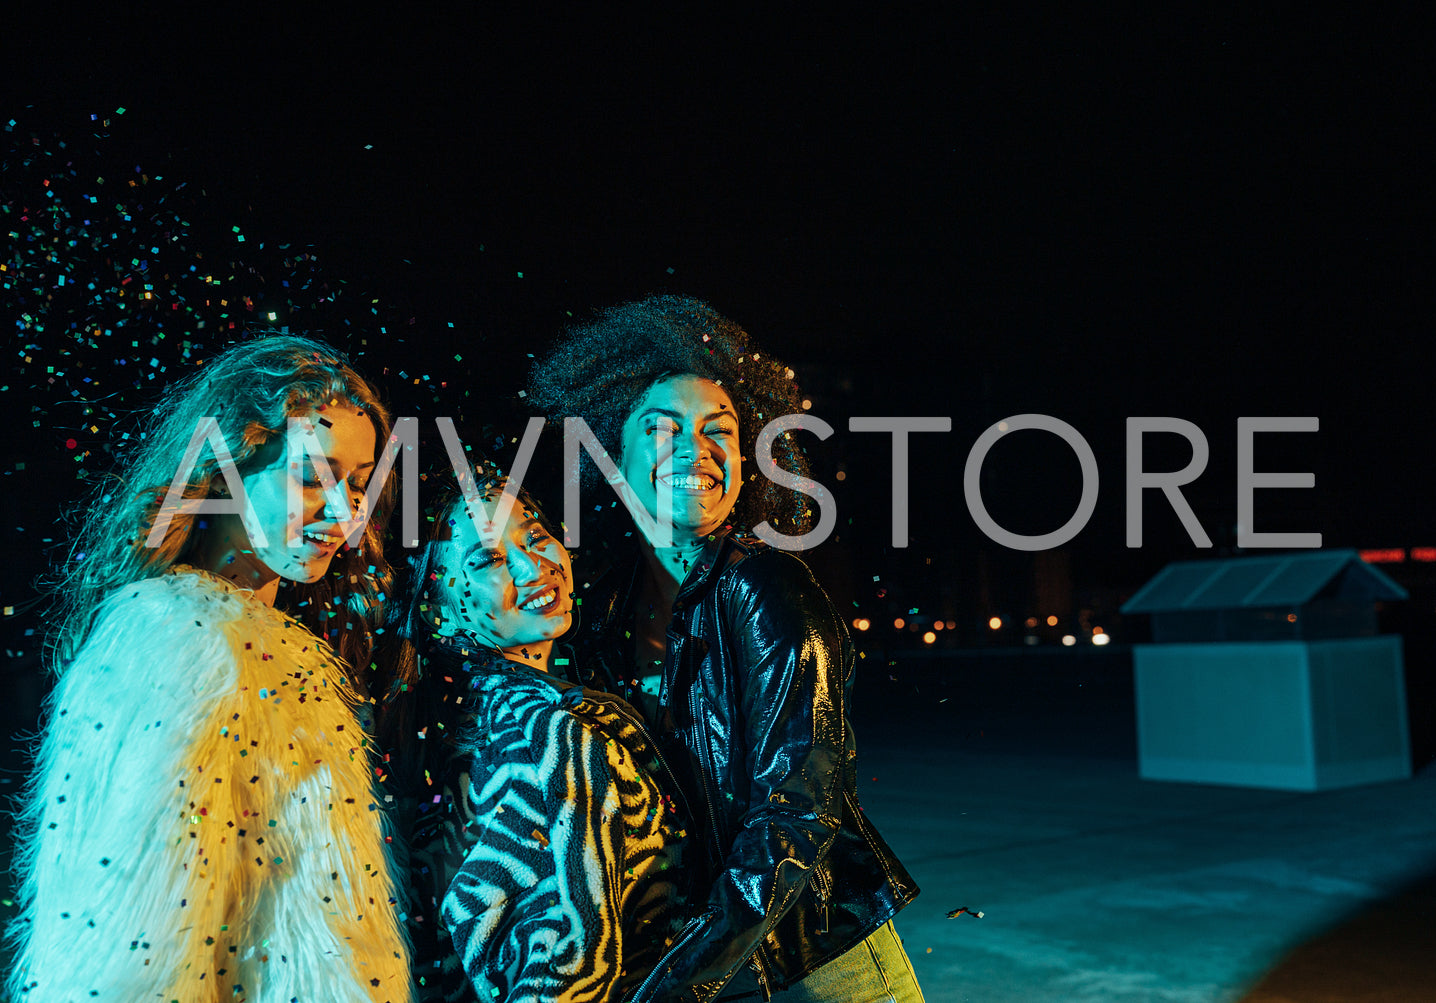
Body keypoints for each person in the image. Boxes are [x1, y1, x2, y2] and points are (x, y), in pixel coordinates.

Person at [529, 296, 924, 1002]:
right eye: (662, 428)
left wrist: (685, 975)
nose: (696, 449)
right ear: (610, 459)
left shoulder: (767, 587)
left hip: (813, 962)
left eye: (720, 431)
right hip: (702, 956)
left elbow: (797, 810)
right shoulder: (599, 613)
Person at [5, 336, 413, 1002]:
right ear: (227, 468)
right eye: (312, 476)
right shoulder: (176, 640)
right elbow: (129, 942)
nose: (346, 513)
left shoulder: (268, 645)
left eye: (360, 482)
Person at [376, 464, 691, 1002]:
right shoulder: (547, 737)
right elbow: (559, 974)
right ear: (439, 610)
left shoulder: (463, 718)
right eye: (490, 559)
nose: (534, 564)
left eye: (537, 536)